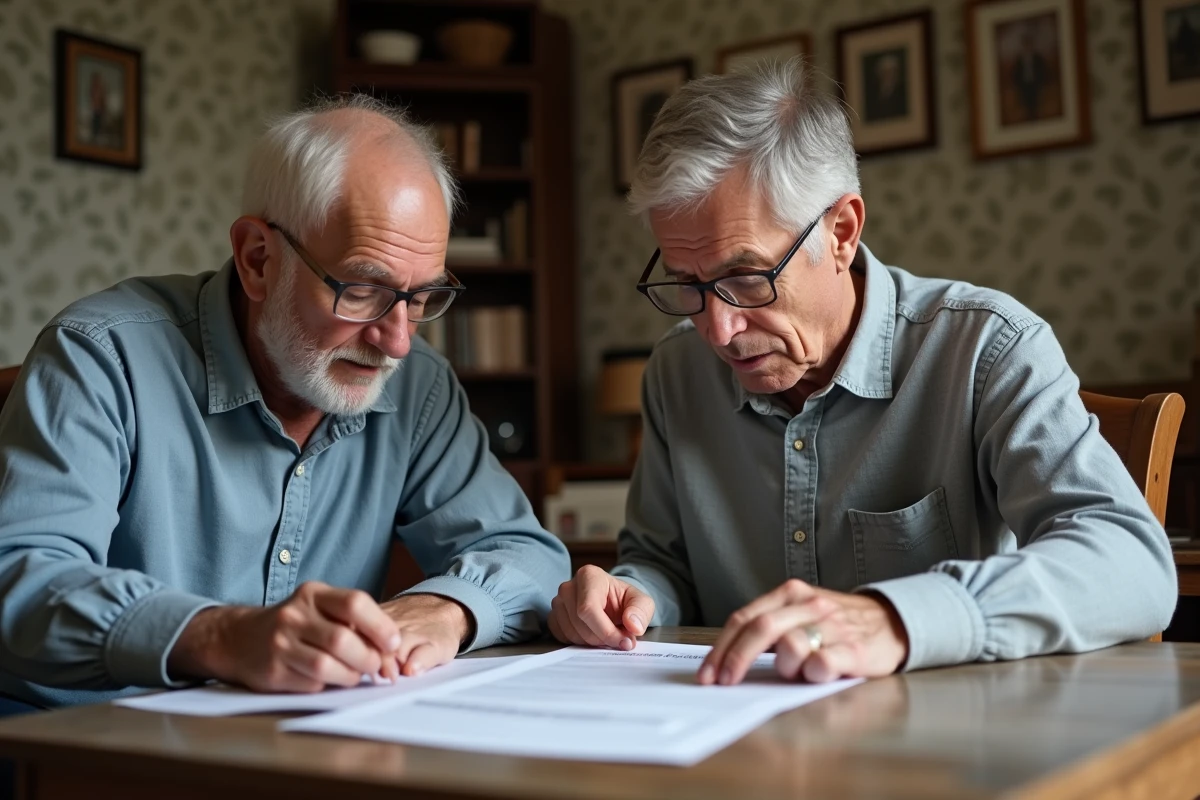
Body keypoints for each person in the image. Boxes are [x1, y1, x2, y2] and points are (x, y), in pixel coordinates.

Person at [548, 59, 1175, 686]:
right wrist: (629, 596)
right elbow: (663, 563)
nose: (717, 331)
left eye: (745, 277)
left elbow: (1133, 562)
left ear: (841, 232)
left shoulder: (985, 348)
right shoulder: (675, 372)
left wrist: (896, 620)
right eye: (688, 284)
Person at [0, 95, 569, 711]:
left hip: (297, 749)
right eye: (363, 290)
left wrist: (447, 607)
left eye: (422, 296)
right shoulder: (101, 355)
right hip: (81, 754)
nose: (398, 340)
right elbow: (20, 581)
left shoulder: (418, 386)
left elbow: (530, 555)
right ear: (258, 259)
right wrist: (222, 635)